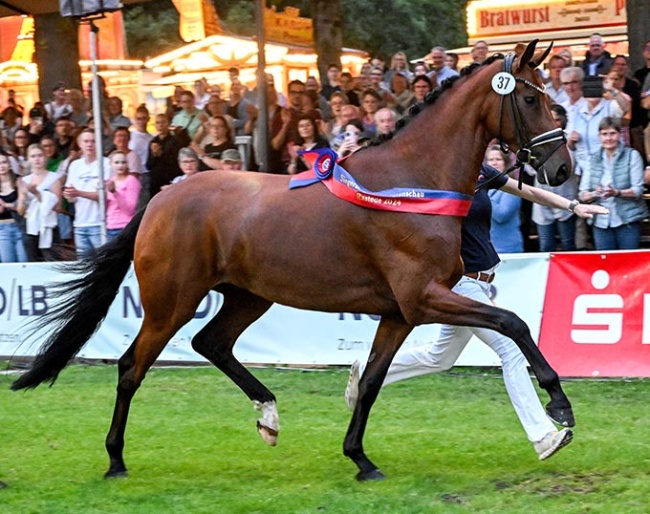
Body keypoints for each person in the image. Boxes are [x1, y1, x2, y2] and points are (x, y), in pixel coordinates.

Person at [345, 154, 608, 461]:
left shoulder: (481, 171)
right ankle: (542, 436)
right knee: (510, 350)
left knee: (439, 358)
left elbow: (530, 192)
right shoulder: (438, 178)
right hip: (461, 282)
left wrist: (574, 206)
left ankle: (366, 371)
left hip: (484, 279)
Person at [578, 117, 648, 250]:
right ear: (599, 136)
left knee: (628, 264)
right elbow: (582, 195)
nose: (608, 138)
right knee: (606, 264)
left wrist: (617, 192)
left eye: (612, 133)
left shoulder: (632, 156)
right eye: (604, 134)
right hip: (600, 222)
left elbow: (638, 191)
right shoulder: (592, 160)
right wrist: (595, 193)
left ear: (620, 134)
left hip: (627, 221)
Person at [533, 105, 579, 252]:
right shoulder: (537, 140)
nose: (554, 123)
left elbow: (573, 168)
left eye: (557, 120)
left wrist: (571, 148)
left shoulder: (571, 140)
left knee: (567, 244)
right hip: (542, 199)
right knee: (545, 245)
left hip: (565, 198)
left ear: (564, 121)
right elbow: (529, 168)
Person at [63, 128, 111, 256]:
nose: (90, 144)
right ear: (80, 144)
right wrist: (69, 194)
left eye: (93, 141)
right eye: (86, 141)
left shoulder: (105, 164)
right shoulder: (75, 165)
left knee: (102, 262)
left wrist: (78, 193)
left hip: (99, 223)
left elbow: (104, 196)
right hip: (80, 223)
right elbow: (70, 197)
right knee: (83, 265)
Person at [18, 144, 62, 261]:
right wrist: (23, 197)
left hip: (48, 225)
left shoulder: (54, 178)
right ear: (28, 158)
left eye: (39, 155)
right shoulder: (24, 180)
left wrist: (38, 194)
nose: (37, 159)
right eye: (33, 156)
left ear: (45, 157)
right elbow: (20, 210)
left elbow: (57, 206)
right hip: (30, 226)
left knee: (51, 261)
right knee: (32, 260)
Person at [486, 146, 523, 253]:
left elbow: (502, 215)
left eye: (498, 159)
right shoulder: (484, 186)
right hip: (487, 249)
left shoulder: (513, 187)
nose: (494, 163)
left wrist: (482, 195)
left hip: (507, 249)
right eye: (491, 160)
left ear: (505, 162)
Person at [105, 150, 141, 241]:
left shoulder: (131, 180)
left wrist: (115, 193)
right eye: (116, 162)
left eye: (123, 162)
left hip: (124, 226)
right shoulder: (110, 181)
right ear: (111, 164)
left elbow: (130, 209)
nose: (120, 165)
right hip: (110, 226)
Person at [146, 113, 184, 196]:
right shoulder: (153, 142)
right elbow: (148, 165)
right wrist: (154, 155)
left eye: (163, 122)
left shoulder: (175, 141)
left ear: (168, 124)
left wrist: (161, 154)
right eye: (158, 123)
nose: (160, 125)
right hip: (155, 180)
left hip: (170, 178)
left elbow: (176, 163)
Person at [0, 152, 27, 262]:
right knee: (8, 265)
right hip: (2, 230)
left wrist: (6, 205)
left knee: (24, 263)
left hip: (19, 226)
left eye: (4, 162)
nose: (1, 166)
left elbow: (21, 210)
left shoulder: (18, 181)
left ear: (10, 164)